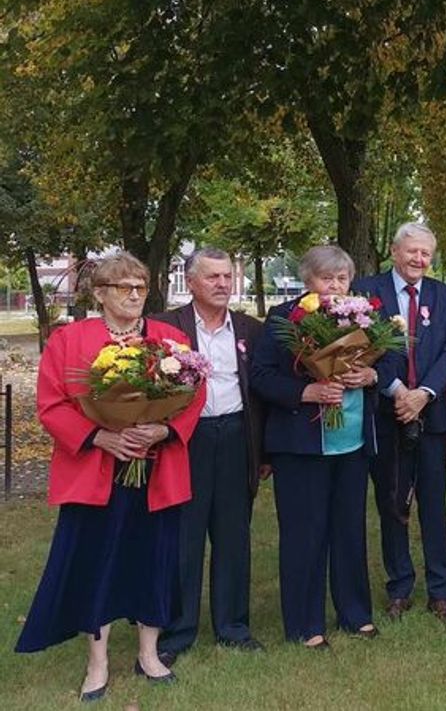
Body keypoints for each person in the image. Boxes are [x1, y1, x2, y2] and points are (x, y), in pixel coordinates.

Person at [15, 251, 204, 701]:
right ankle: (97, 662)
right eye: (125, 287)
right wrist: (100, 437)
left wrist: (163, 427)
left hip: (157, 469)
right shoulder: (70, 340)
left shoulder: (171, 338)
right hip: (94, 471)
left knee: (154, 559)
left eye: (141, 286)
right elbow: (52, 404)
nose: (136, 294)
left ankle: (149, 653)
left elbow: (196, 392)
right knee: (96, 561)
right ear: (100, 294)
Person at [250, 245, 377, 648]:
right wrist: (308, 391)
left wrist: (370, 374)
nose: (335, 285)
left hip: (351, 442)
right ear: (308, 281)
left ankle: (354, 613)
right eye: (327, 278)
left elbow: (386, 361)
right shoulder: (284, 318)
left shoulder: (363, 317)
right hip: (301, 444)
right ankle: (306, 623)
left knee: (349, 530)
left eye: (342, 278)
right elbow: (261, 376)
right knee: (305, 534)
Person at [152, 247, 267, 666]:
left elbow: (263, 394)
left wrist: (264, 452)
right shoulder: (166, 327)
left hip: (237, 436)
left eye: (227, 277)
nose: (223, 284)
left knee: (234, 535)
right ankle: (177, 631)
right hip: (187, 439)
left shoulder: (252, 330)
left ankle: (233, 626)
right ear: (192, 281)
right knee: (184, 535)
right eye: (213, 277)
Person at [354, 222, 446, 621]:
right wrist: (397, 389)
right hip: (386, 413)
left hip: (430, 416)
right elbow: (362, 347)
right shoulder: (367, 291)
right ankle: (399, 587)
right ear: (395, 252)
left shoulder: (444, 295)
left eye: (426, 254)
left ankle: (440, 591)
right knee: (391, 504)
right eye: (412, 252)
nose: (419, 260)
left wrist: (423, 394)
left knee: (434, 504)